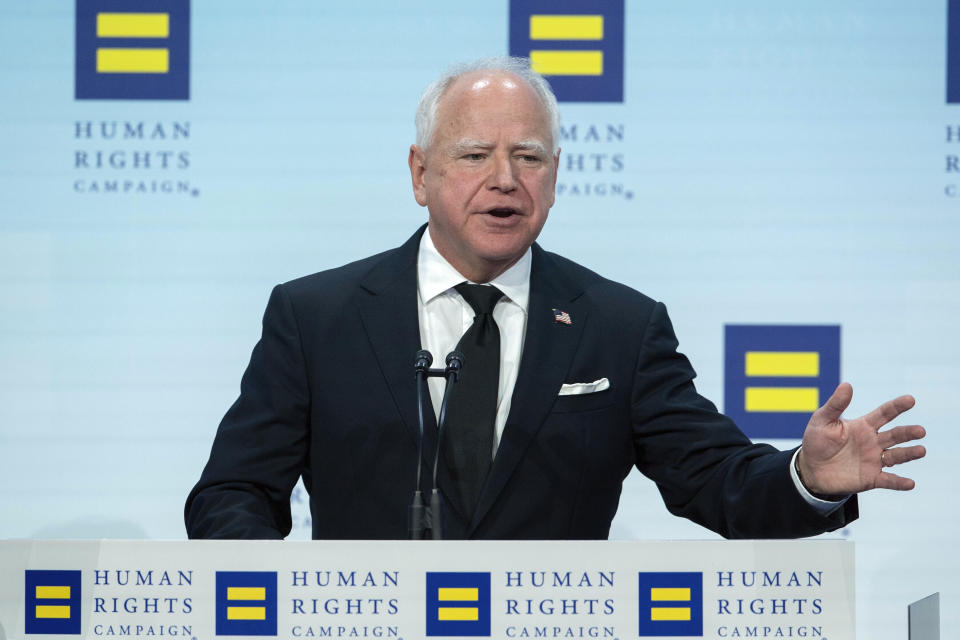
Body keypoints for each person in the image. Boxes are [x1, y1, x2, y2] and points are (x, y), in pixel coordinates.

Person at [185, 57, 926, 540]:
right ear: (419, 175)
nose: (505, 179)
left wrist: (806, 479)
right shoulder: (316, 318)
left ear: (556, 174)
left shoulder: (619, 327)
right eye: (475, 156)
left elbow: (718, 480)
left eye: (528, 158)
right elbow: (233, 492)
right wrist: (281, 594)